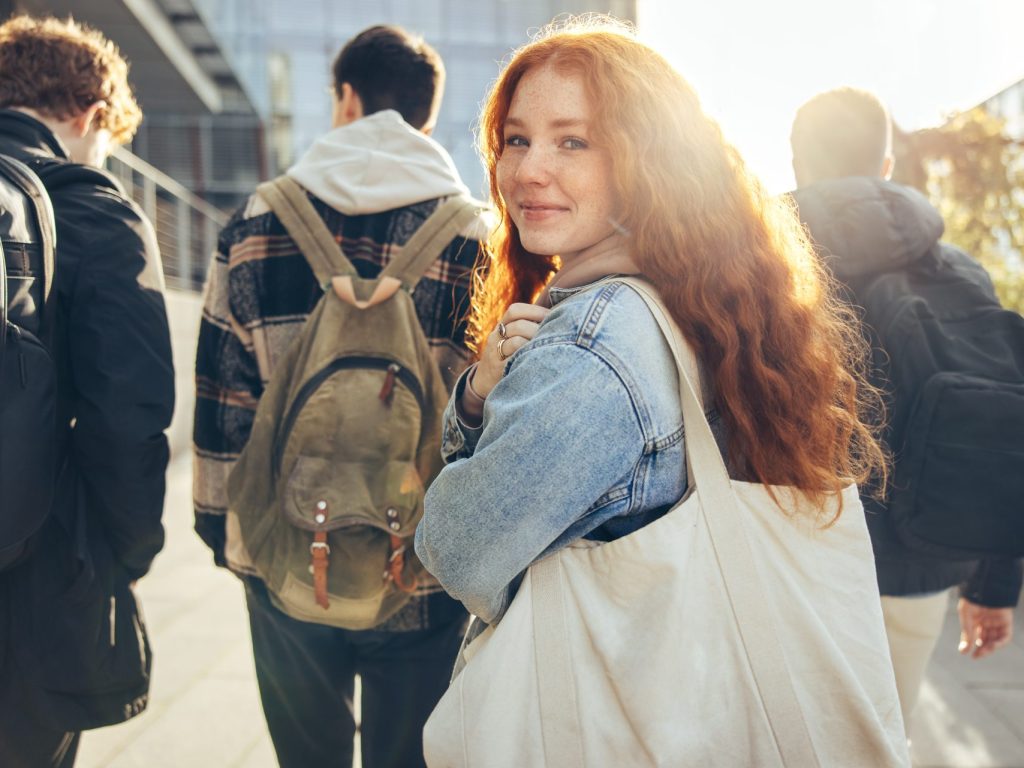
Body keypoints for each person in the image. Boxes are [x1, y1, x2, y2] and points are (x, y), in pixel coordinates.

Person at [415, 16, 905, 764]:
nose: (527, 170)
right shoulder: (698, 297)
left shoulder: (594, 343)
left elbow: (457, 550)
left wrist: (472, 405)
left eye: (572, 141)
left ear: (647, 160)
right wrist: (488, 394)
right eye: (516, 139)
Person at [193, 25, 487, 768]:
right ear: (425, 114)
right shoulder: (474, 234)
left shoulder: (259, 219)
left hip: (286, 549)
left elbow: (220, 393)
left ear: (346, 99)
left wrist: (222, 529)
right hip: (418, 562)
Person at [789, 87, 1023, 731]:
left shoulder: (763, 268)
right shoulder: (960, 270)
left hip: (793, 560)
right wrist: (991, 583)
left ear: (798, 166)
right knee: (889, 738)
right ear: (886, 167)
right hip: (923, 559)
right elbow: (1001, 416)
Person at [0, 16, 175, 768]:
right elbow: (127, 414)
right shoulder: (94, 210)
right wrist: (126, 553)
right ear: (93, 115)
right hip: (37, 575)